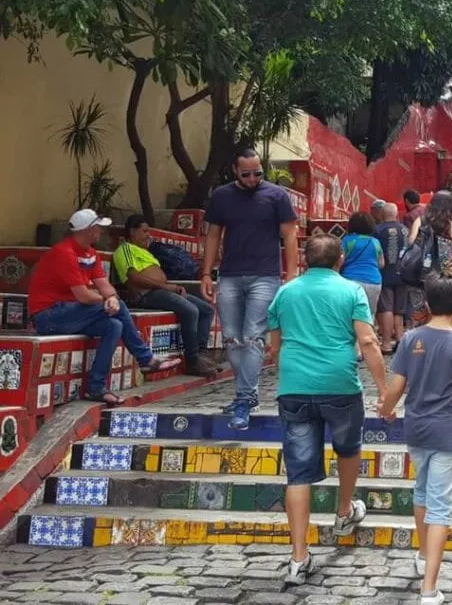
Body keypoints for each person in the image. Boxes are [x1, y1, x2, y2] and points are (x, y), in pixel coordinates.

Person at [268, 235, 387, 585]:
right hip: (340, 385)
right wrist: (384, 391)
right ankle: (344, 510)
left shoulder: (284, 292)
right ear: (340, 262)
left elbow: (274, 347)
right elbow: (367, 341)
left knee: (298, 473)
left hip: (294, 387)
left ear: (305, 261)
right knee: (347, 448)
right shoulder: (352, 292)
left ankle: (298, 556)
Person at [377, 273, 452, 605]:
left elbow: (397, 386)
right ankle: (429, 587)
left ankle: (423, 554)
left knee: (421, 493)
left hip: (417, 430)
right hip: (445, 432)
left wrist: (387, 410)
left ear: (426, 303)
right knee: (439, 506)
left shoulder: (409, 339)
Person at [29, 209, 180, 406]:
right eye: (98, 227)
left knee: (114, 326)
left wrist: (112, 298)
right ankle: (146, 359)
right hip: (48, 316)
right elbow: (83, 296)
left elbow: (103, 284)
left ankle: (96, 387)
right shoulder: (64, 254)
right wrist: (108, 300)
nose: (101, 232)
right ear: (88, 230)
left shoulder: (90, 254)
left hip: (70, 313)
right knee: (119, 309)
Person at [201, 148, 299, 431]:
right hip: (230, 274)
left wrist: (291, 274)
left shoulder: (276, 196)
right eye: (247, 174)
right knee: (231, 338)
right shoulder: (222, 196)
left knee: (253, 336)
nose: (254, 178)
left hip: (265, 276)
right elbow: (213, 235)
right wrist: (207, 273)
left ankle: (244, 399)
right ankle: (247, 394)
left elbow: (290, 234)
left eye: (258, 172)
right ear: (235, 170)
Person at [113, 214, 217, 377]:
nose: (148, 235)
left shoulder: (146, 252)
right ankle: (192, 360)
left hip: (161, 291)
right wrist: (165, 286)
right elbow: (133, 276)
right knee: (190, 310)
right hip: (147, 294)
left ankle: (201, 355)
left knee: (206, 310)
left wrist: (171, 287)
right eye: (144, 231)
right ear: (132, 232)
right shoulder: (125, 249)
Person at [408, 192, 452, 326]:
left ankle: (420, 343)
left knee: (418, 316)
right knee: (442, 317)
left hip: (419, 277)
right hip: (444, 279)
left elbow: (411, 244)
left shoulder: (420, 221)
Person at [376, 203, 409, 354]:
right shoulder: (405, 230)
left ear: (382, 214)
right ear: (396, 214)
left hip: (385, 273)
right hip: (403, 274)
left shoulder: (378, 230)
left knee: (387, 308)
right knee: (399, 310)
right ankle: (401, 341)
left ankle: (387, 343)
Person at [341, 212, 385, 314]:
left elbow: (340, 261)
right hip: (373, 282)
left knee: (348, 314)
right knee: (368, 315)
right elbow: (381, 264)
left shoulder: (347, 240)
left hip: (350, 280)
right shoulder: (375, 242)